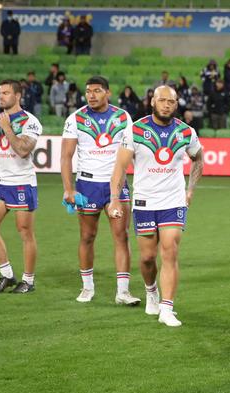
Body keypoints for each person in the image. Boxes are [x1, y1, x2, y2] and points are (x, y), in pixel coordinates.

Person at [108, 86, 204, 327]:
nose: (166, 105)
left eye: (171, 101)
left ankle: (167, 309)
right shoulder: (136, 130)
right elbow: (120, 168)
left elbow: (198, 158)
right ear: (152, 102)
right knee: (148, 257)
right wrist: (114, 198)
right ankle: (151, 291)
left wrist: (190, 189)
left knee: (170, 250)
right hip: (145, 201)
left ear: (176, 103)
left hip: (173, 201)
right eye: (161, 100)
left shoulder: (186, 132)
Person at [60, 76, 141, 306]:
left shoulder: (122, 116)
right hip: (87, 185)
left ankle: (123, 292)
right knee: (87, 236)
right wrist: (69, 189)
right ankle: (87, 288)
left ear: (108, 92)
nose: (91, 95)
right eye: (88, 91)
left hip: (116, 184)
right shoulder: (75, 118)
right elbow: (66, 156)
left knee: (122, 236)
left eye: (97, 90)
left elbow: (130, 151)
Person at [0, 79, 43, 294]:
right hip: (1, 183)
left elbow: (23, 150)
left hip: (22, 184)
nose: (1, 96)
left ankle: (28, 280)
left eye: (6, 93)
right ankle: (7, 275)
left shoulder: (30, 121)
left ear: (17, 96)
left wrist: (7, 127)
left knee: (25, 232)